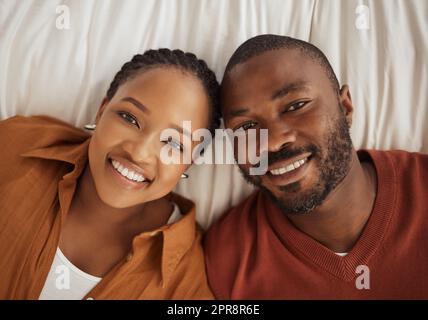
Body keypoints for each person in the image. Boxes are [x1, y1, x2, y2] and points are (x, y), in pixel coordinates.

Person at [204, 34, 428, 299]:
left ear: (345, 107)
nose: (273, 142)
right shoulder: (228, 258)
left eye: (296, 106)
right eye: (246, 127)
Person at [0, 48, 221, 300]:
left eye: (173, 144)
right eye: (129, 118)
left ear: (189, 163)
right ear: (102, 110)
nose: (139, 154)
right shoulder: (15, 147)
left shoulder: (185, 285)